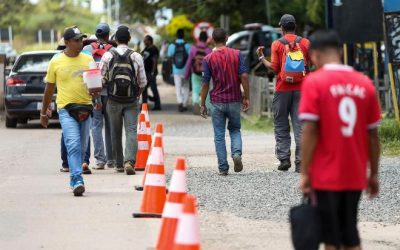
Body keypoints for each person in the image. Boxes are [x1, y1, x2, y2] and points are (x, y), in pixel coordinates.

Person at [299, 30, 381, 250]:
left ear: (314, 55)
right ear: (339, 52)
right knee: (350, 233)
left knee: (331, 239)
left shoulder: (315, 82)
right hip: (355, 173)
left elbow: (310, 130)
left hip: (325, 175)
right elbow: (372, 135)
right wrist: (373, 174)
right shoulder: (364, 83)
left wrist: (305, 172)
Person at [41, 26, 97, 196]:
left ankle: (75, 175)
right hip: (65, 109)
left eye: (81, 39)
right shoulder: (56, 61)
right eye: (77, 40)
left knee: (82, 147)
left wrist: (95, 91)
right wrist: (44, 112)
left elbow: (95, 86)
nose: (80, 42)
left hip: (86, 109)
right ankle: (77, 178)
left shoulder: (88, 59)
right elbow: (49, 89)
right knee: (72, 144)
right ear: (66, 42)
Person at [257, 14, 311, 172]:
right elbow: (313, 64)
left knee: (281, 124)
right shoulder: (306, 43)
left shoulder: (277, 44)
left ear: (281, 27)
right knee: (300, 125)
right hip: (302, 90)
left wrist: (261, 57)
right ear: (295, 26)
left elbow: (274, 68)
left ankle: (284, 159)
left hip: (282, 89)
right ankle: (301, 162)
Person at [200, 28, 250, 176]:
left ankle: (223, 168)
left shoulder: (208, 59)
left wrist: (202, 103)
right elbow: (244, 76)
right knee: (235, 129)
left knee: (219, 135)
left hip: (217, 102)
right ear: (227, 38)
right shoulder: (237, 54)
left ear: (213, 40)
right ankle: (236, 154)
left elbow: (205, 83)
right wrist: (246, 97)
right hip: (234, 99)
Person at [99, 25, 147, 175]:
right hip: (131, 99)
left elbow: (101, 79)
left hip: (112, 99)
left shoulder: (107, 55)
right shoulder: (136, 56)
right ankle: (129, 162)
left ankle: (119, 164)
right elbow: (143, 82)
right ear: (130, 39)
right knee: (132, 130)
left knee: (115, 131)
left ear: (115, 39)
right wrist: (137, 93)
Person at [82, 23, 115, 170]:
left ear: (96, 35)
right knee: (110, 125)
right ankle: (111, 160)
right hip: (109, 93)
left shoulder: (87, 50)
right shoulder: (113, 51)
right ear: (108, 35)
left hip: (93, 92)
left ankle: (100, 160)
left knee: (95, 125)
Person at [184, 31, 212, 115]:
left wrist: (186, 75)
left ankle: (196, 103)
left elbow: (189, 62)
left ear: (199, 38)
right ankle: (207, 107)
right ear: (207, 39)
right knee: (206, 89)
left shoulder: (193, 48)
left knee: (195, 90)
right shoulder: (209, 50)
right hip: (206, 74)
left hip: (195, 73)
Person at [168, 29, 191, 112]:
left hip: (176, 70)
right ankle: (185, 104)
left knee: (178, 87)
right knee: (186, 87)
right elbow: (190, 58)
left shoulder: (172, 46)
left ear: (176, 36)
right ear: (184, 36)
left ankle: (180, 102)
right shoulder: (188, 45)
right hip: (186, 70)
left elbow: (170, 56)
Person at [141, 35, 161, 110]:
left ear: (149, 41)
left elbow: (155, 61)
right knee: (144, 89)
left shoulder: (154, 49)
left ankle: (157, 105)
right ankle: (144, 106)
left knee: (153, 89)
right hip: (145, 72)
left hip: (151, 72)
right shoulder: (146, 48)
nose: (144, 41)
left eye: (145, 40)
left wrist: (153, 72)